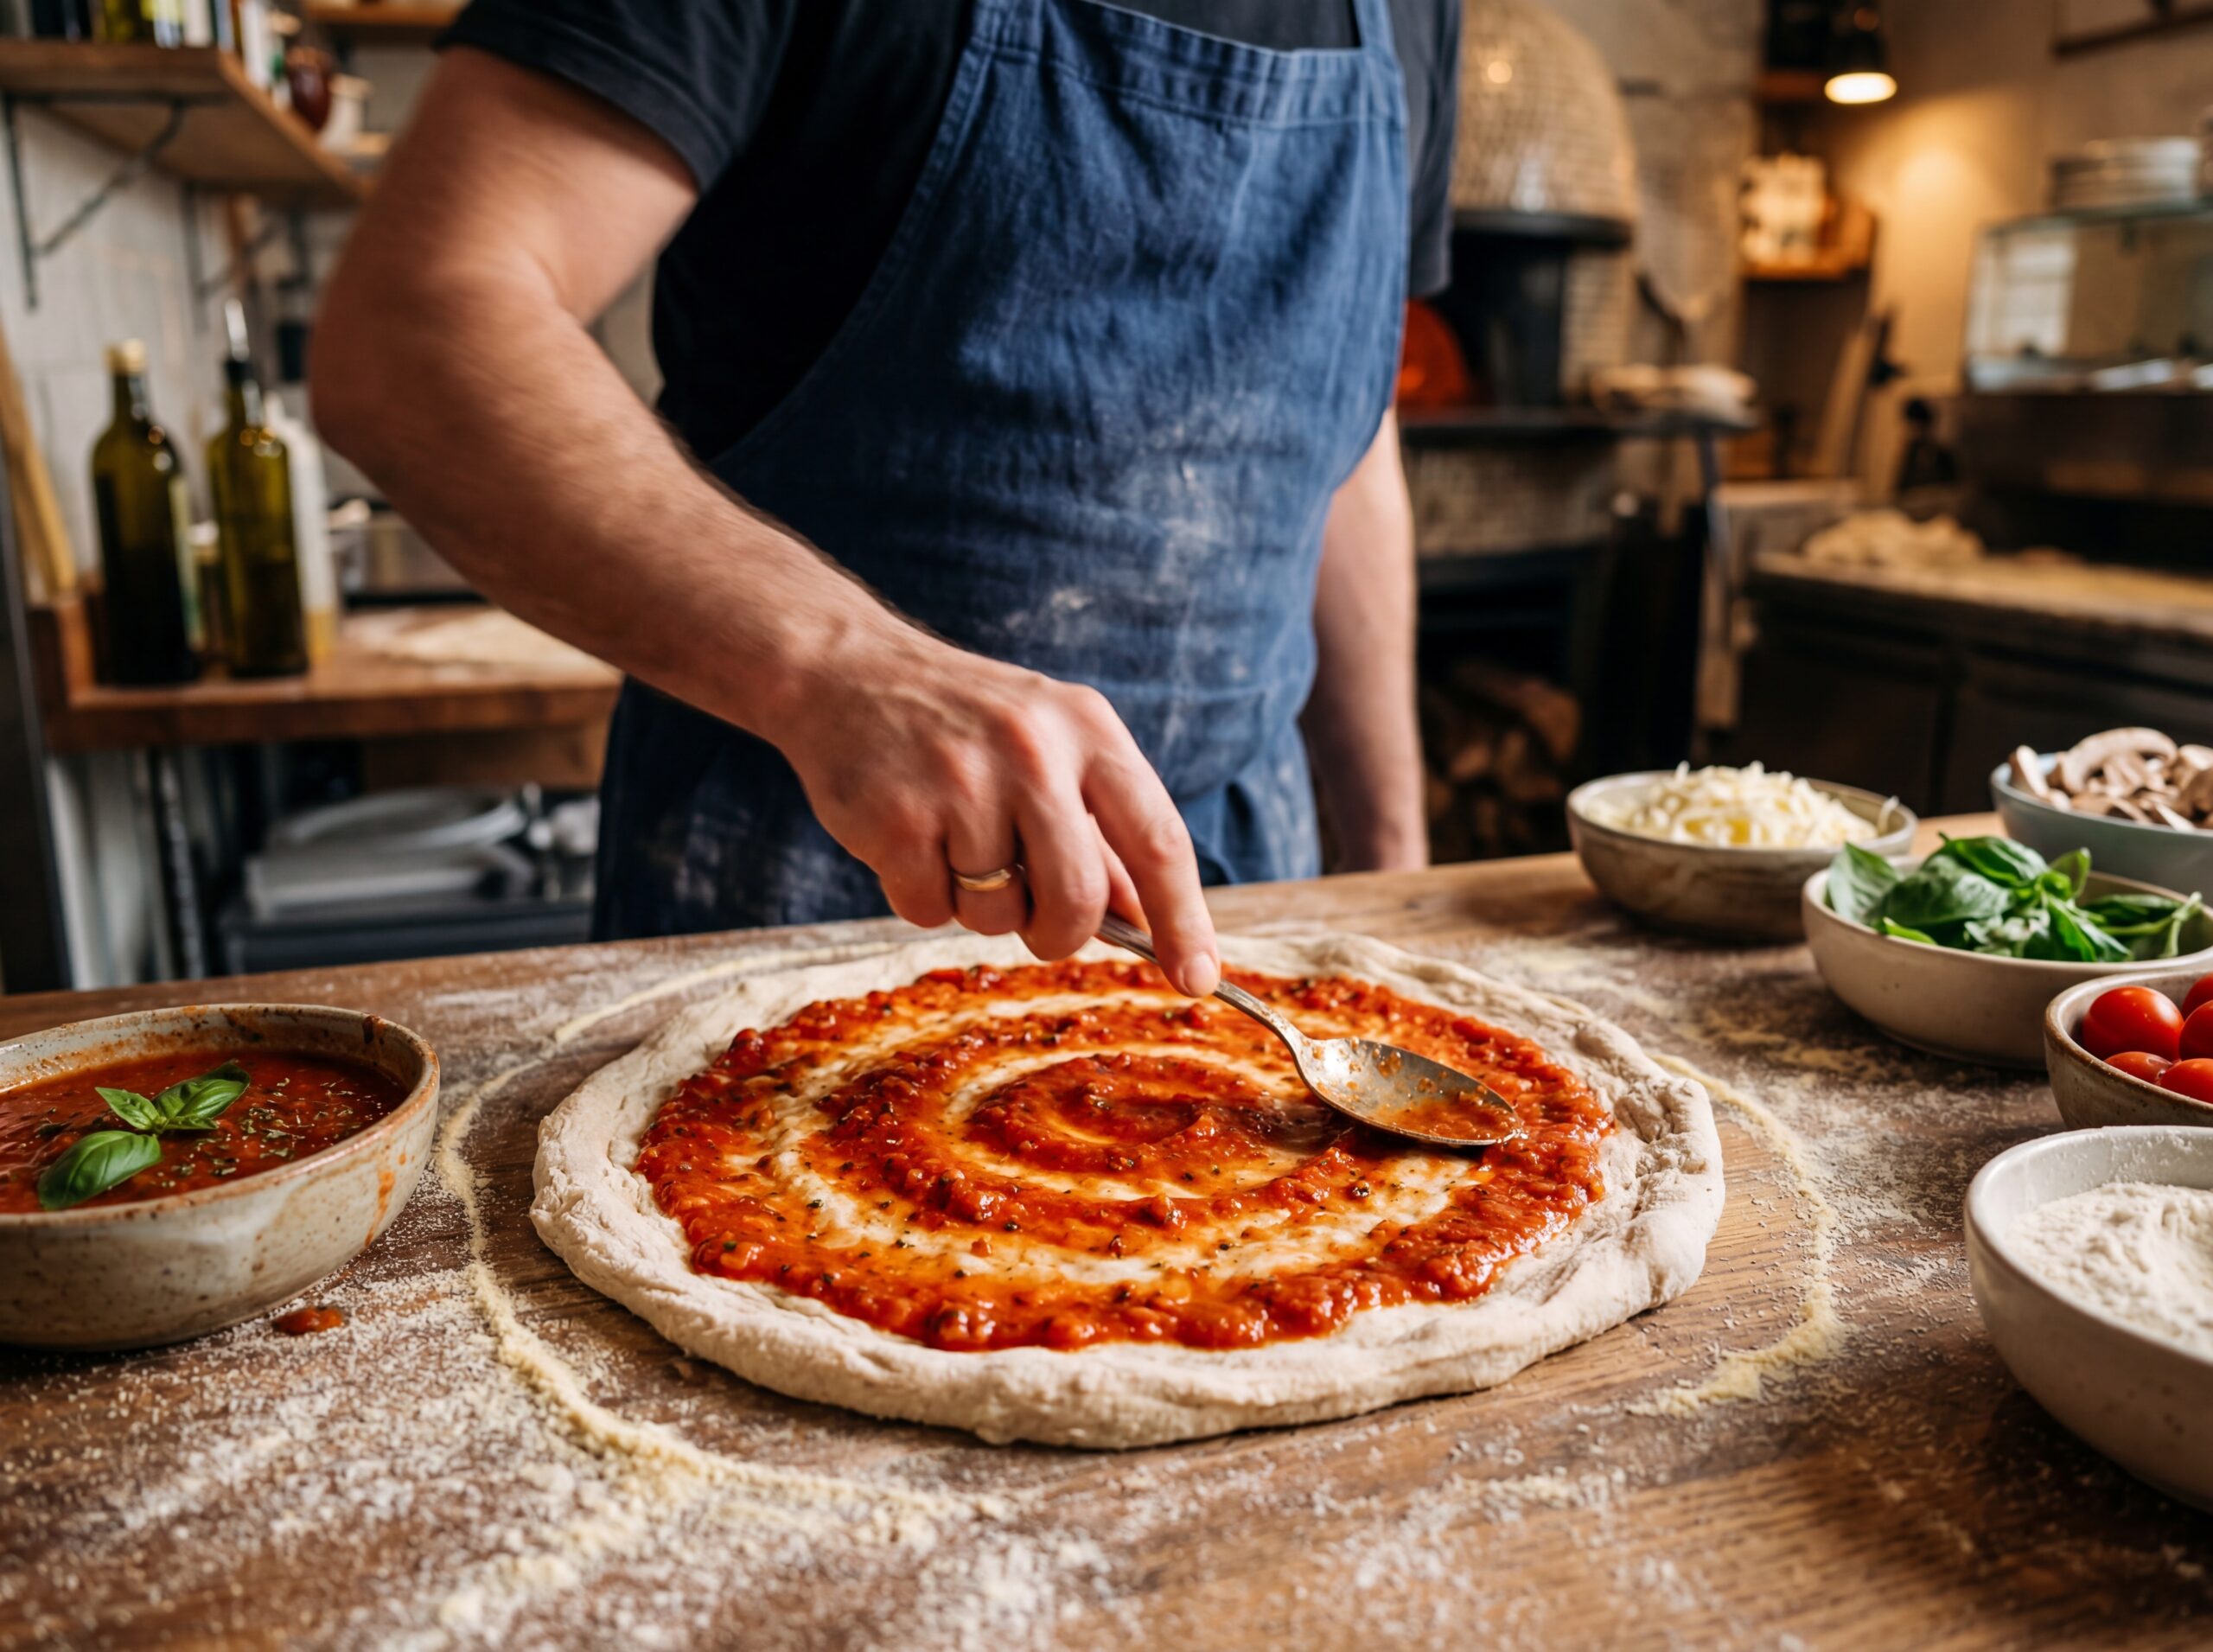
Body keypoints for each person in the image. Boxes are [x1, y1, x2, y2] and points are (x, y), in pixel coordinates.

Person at [312, 0, 1460, 1000]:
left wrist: (1392, 867)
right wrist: (848, 671)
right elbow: (415, 329)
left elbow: (1341, 444)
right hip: (811, 886)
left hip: (1237, 893)